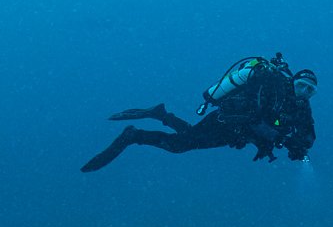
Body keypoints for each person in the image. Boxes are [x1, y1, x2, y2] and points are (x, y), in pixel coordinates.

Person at [80, 53, 317, 172]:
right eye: (301, 85)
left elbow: (309, 133)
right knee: (179, 145)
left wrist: (301, 145)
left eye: (310, 90)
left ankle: (161, 114)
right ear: (292, 81)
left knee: (188, 139)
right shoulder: (273, 89)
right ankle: (134, 135)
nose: (304, 91)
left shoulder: (301, 106)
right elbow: (256, 119)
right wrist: (282, 139)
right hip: (225, 123)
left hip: (235, 135)